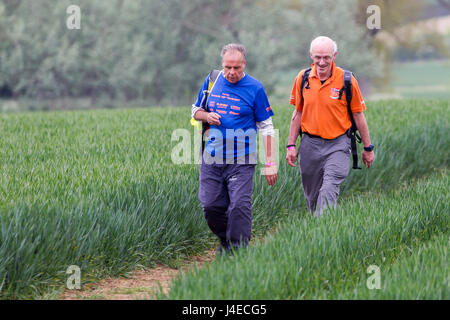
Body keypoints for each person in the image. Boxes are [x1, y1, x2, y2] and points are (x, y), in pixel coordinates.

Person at [191, 43, 278, 254]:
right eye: (227, 67)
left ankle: (237, 252)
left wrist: (270, 162)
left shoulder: (255, 88)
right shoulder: (212, 80)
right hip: (212, 157)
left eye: (236, 68)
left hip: (242, 159)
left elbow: (266, 127)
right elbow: (195, 111)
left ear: (244, 64)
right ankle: (225, 241)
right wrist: (206, 116)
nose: (231, 73)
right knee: (211, 206)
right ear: (222, 64)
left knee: (239, 206)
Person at [286, 36, 374, 216]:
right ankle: (317, 234)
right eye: (318, 57)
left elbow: (358, 114)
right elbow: (298, 113)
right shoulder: (302, 79)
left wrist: (368, 148)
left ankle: (323, 226)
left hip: (338, 144)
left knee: (329, 189)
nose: (322, 62)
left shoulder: (347, 80)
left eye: (326, 57)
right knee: (312, 197)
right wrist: (291, 145)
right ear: (311, 55)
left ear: (335, 55)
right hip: (309, 145)